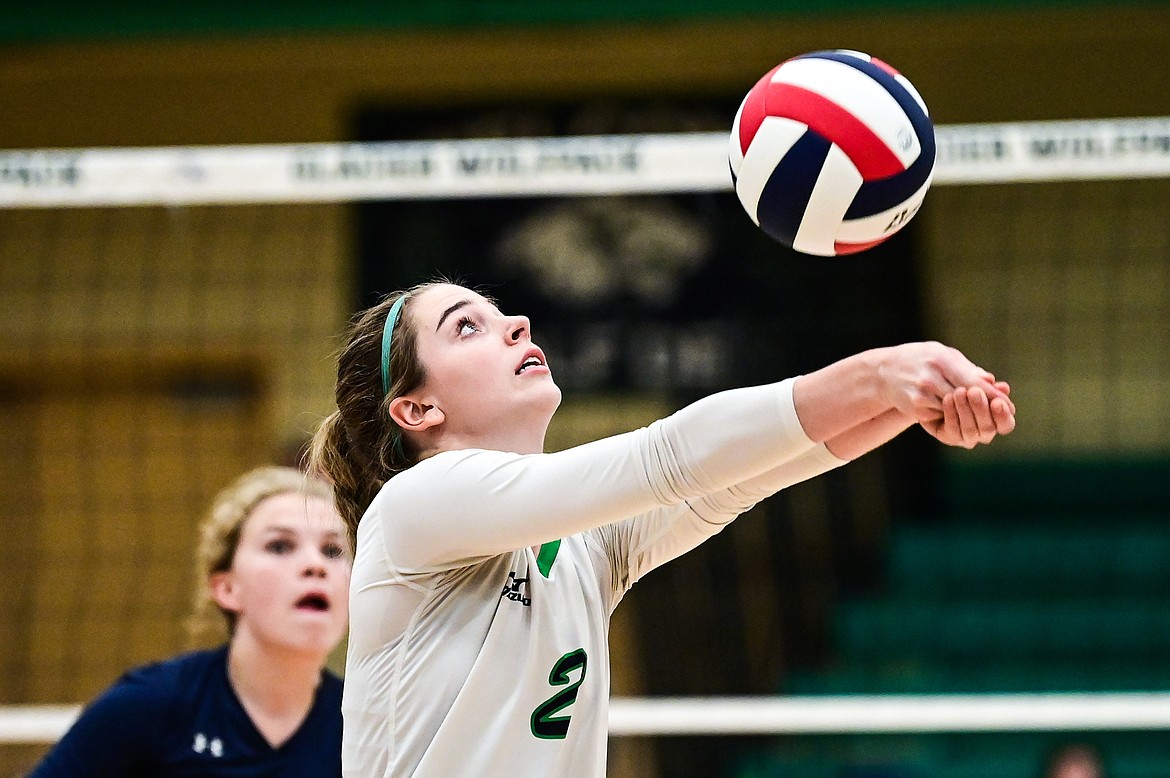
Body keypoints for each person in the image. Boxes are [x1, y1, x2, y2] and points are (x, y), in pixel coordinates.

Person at [308, 280, 1017, 778]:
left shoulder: (578, 548)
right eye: (467, 326)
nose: (516, 325)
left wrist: (909, 404)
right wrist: (879, 374)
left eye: (499, 315)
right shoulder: (416, 505)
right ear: (417, 411)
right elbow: (669, 457)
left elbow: (743, 478)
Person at [27, 466, 352, 777]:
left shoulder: (361, 723)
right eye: (280, 546)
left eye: (333, 550)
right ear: (227, 588)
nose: (315, 564)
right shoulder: (149, 704)